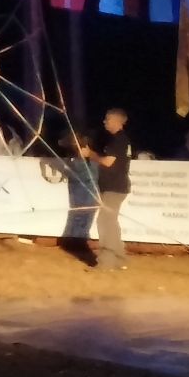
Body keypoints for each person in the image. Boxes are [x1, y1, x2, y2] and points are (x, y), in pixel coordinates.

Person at [81, 108, 132, 271]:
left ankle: (106, 262)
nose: (105, 122)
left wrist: (90, 154)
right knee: (110, 222)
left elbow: (108, 162)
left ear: (117, 121)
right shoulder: (120, 140)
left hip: (114, 187)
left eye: (107, 119)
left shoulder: (118, 140)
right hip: (116, 187)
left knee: (104, 222)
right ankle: (119, 258)